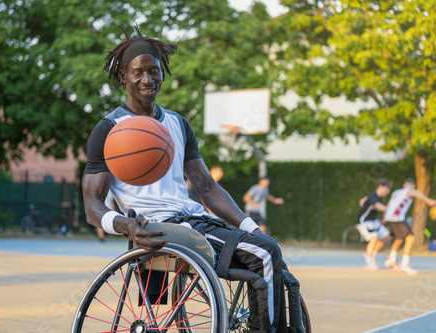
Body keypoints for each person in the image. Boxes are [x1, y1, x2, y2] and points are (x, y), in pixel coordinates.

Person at [81, 24, 290, 333]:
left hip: (194, 218)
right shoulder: (109, 129)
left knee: (264, 245)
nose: (147, 79)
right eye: (138, 72)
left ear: (163, 73)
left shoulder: (178, 124)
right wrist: (125, 225)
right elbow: (91, 206)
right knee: (265, 254)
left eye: (154, 71)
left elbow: (207, 187)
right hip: (159, 227)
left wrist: (250, 226)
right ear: (124, 76)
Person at [383, 178, 436, 275]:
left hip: (390, 218)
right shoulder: (411, 191)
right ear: (413, 186)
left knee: (400, 238)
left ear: (404, 185)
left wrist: (384, 218)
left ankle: (391, 259)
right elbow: (427, 201)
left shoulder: (396, 192)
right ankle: (404, 265)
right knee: (410, 238)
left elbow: (388, 206)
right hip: (397, 218)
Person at [356, 178, 393, 270]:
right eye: (387, 188)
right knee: (374, 237)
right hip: (364, 221)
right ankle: (368, 262)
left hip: (373, 221)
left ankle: (370, 253)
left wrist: (385, 218)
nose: (388, 191)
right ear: (380, 186)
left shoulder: (379, 197)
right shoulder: (373, 195)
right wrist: (390, 211)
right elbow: (378, 206)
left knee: (387, 237)